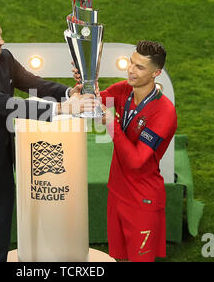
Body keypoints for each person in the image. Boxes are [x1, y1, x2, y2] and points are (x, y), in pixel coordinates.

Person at [0, 11, 95, 262]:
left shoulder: (4, 58)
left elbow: (33, 82)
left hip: (0, 166)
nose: (1, 42)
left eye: (0, 35)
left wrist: (68, 93)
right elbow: (10, 105)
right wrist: (63, 109)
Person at [74, 40, 177, 262]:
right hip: (117, 193)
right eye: (131, 62)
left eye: (140, 67)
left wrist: (112, 125)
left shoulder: (164, 112)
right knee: (117, 258)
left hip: (142, 200)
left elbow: (137, 160)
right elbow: (91, 103)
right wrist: (85, 83)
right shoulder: (124, 90)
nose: (130, 70)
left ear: (156, 73)